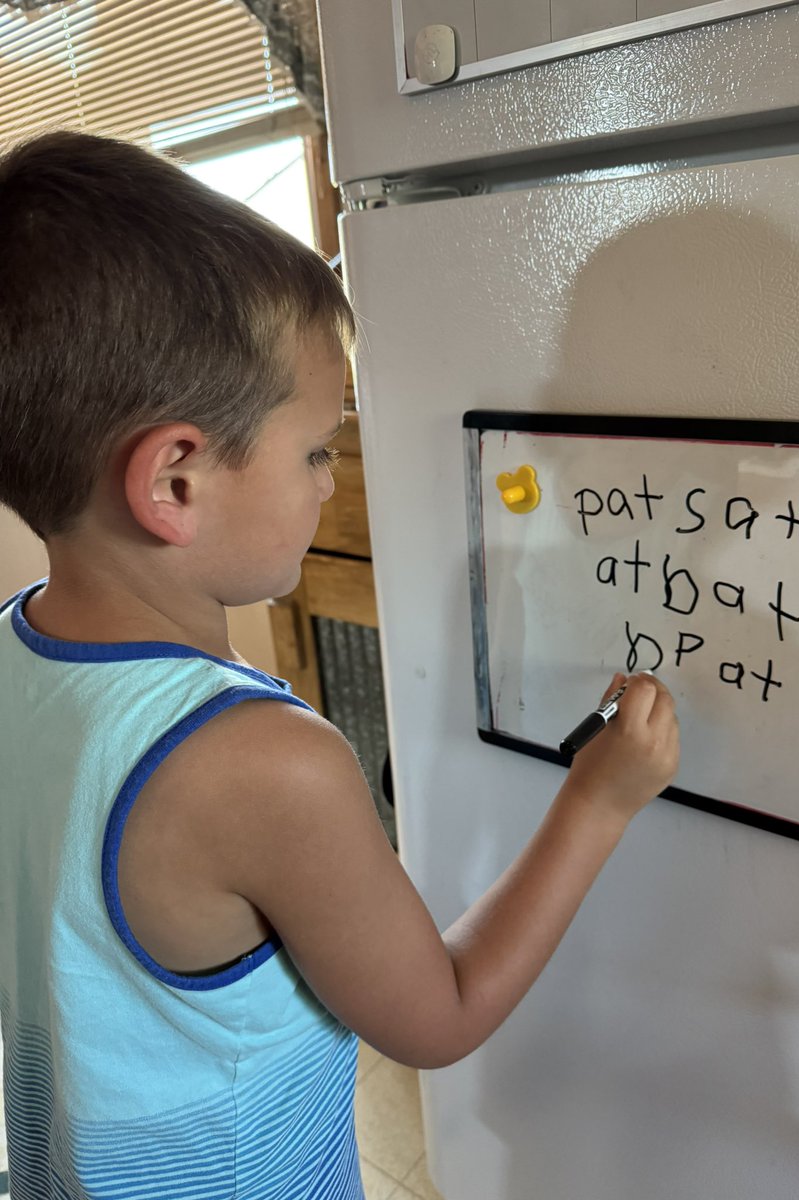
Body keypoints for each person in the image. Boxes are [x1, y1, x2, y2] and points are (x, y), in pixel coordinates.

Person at [0, 130, 679, 1200]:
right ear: (174, 482)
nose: (328, 483)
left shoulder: (12, 645)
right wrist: (598, 799)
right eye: (317, 448)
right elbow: (440, 1013)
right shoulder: (263, 767)